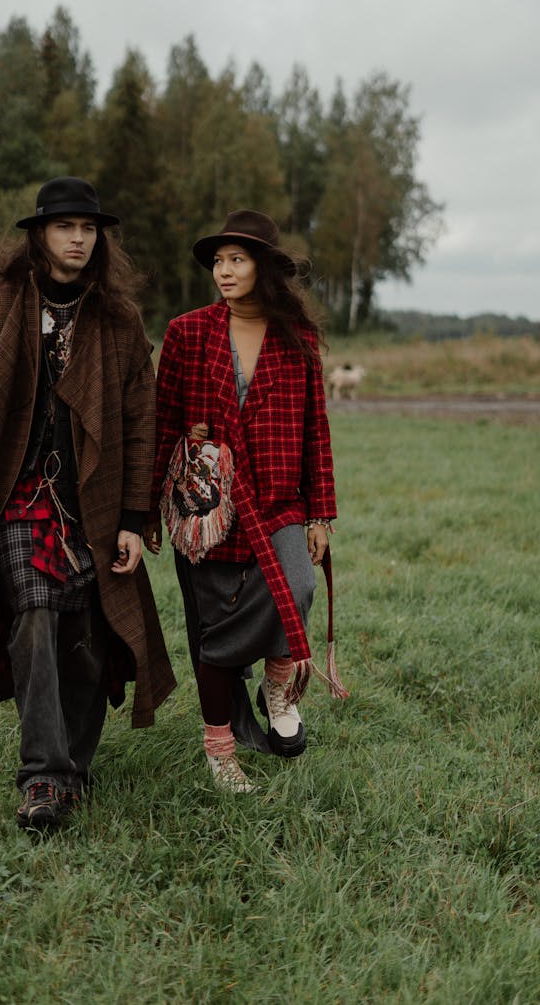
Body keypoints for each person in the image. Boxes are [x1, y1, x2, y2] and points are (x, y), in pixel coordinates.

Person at [0, 177, 176, 830]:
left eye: (89, 228)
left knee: (91, 638)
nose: (78, 238)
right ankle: (44, 776)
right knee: (35, 618)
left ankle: (75, 765)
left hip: (90, 507)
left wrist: (132, 519)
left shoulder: (119, 321)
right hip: (15, 500)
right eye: (65, 226)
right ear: (38, 233)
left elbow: (139, 425)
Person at [145, 210, 345, 793]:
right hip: (206, 507)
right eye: (218, 261)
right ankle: (220, 750)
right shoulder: (187, 333)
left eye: (237, 259)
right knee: (217, 629)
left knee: (299, 586)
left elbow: (317, 429)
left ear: (265, 267)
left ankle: (278, 687)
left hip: (280, 499)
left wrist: (320, 513)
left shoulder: (298, 339)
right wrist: (146, 509)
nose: (224, 271)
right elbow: (164, 425)